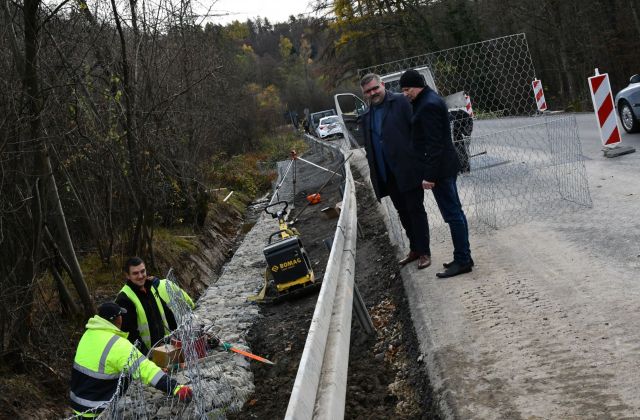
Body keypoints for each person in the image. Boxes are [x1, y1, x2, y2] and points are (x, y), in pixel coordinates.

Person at [399, 69, 474, 278]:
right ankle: (463, 255)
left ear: (417, 85)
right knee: (455, 213)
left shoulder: (429, 105)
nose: (405, 94)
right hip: (443, 168)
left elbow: (435, 145)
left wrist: (429, 176)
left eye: (407, 89)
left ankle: (463, 260)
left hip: (440, 170)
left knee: (453, 215)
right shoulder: (426, 100)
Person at [359, 73, 431, 269]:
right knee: (403, 212)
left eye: (375, 88)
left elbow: (418, 132)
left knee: (415, 210)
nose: (373, 93)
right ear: (364, 94)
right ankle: (415, 248)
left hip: (407, 168)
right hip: (387, 174)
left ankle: (424, 251)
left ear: (382, 85)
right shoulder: (367, 115)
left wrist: (423, 165)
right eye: (368, 91)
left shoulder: (401, 102)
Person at [70, 302, 192, 417]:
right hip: (98, 408)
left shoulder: (89, 334)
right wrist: (176, 387)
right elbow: (146, 369)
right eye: (121, 315)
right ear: (118, 319)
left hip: (77, 403)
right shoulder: (117, 345)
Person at [115, 257, 195, 355]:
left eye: (142, 271)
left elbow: (166, 312)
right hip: (147, 355)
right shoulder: (124, 298)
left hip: (165, 347)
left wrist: (178, 336)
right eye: (135, 273)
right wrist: (147, 356)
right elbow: (130, 335)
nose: (140, 276)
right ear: (127, 275)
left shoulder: (151, 287)